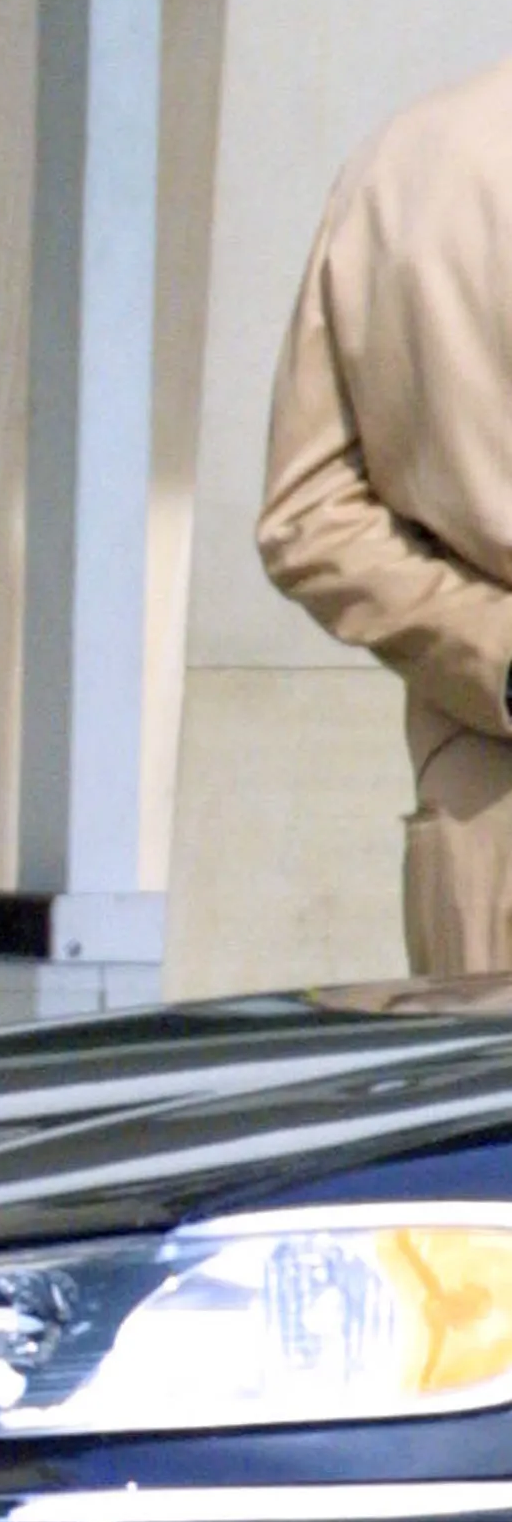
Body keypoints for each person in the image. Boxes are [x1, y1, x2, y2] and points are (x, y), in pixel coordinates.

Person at [259, 63, 512, 977]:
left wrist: (496, 653)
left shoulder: (409, 164)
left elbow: (307, 515)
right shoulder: (416, 165)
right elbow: (307, 515)